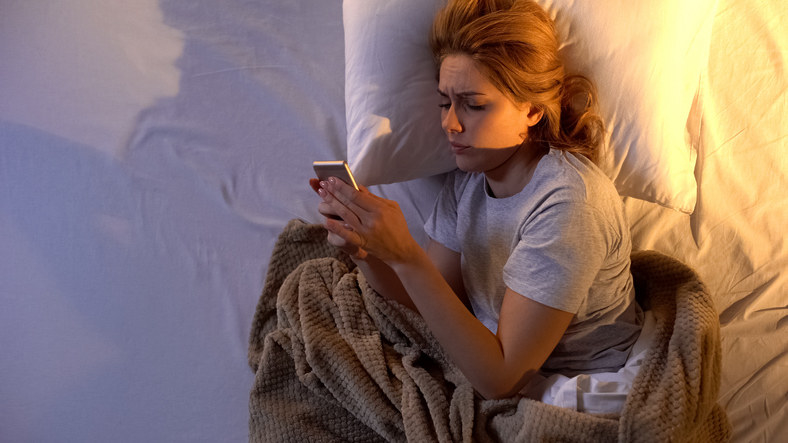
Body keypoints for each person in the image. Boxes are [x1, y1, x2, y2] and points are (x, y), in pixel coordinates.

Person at [309, 0, 642, 402]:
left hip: (579, 385)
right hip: (496, 363)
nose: (450, 123)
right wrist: (368, 250)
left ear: (532, 109)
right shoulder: (468, 181)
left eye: (474, 104)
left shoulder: (569, 204)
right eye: (445, 102)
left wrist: (407, 256)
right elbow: (430, 301)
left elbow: (502, 379)